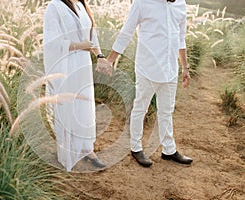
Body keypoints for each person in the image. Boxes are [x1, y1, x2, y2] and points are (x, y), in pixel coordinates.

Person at [107, 0, 193, 167]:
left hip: (170, 70)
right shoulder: (142, 2)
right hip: (147, 68)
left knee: (167, 111)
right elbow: (126, 32)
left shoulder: (180, 4)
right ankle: (136, 148)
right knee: (140, 108)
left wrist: (184, 67)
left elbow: (180, 38)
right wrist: (110, 60)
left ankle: (169, 150)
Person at [43, 0, 111, 171]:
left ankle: (87, 150)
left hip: (83, 64)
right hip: (65, 64)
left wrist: (100, 56)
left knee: (84, 105)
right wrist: (80, 46)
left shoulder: (82, 6)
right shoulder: (55, 6)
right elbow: (51, 41)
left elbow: (91, 36)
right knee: (68, 105)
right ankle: (67, 152)